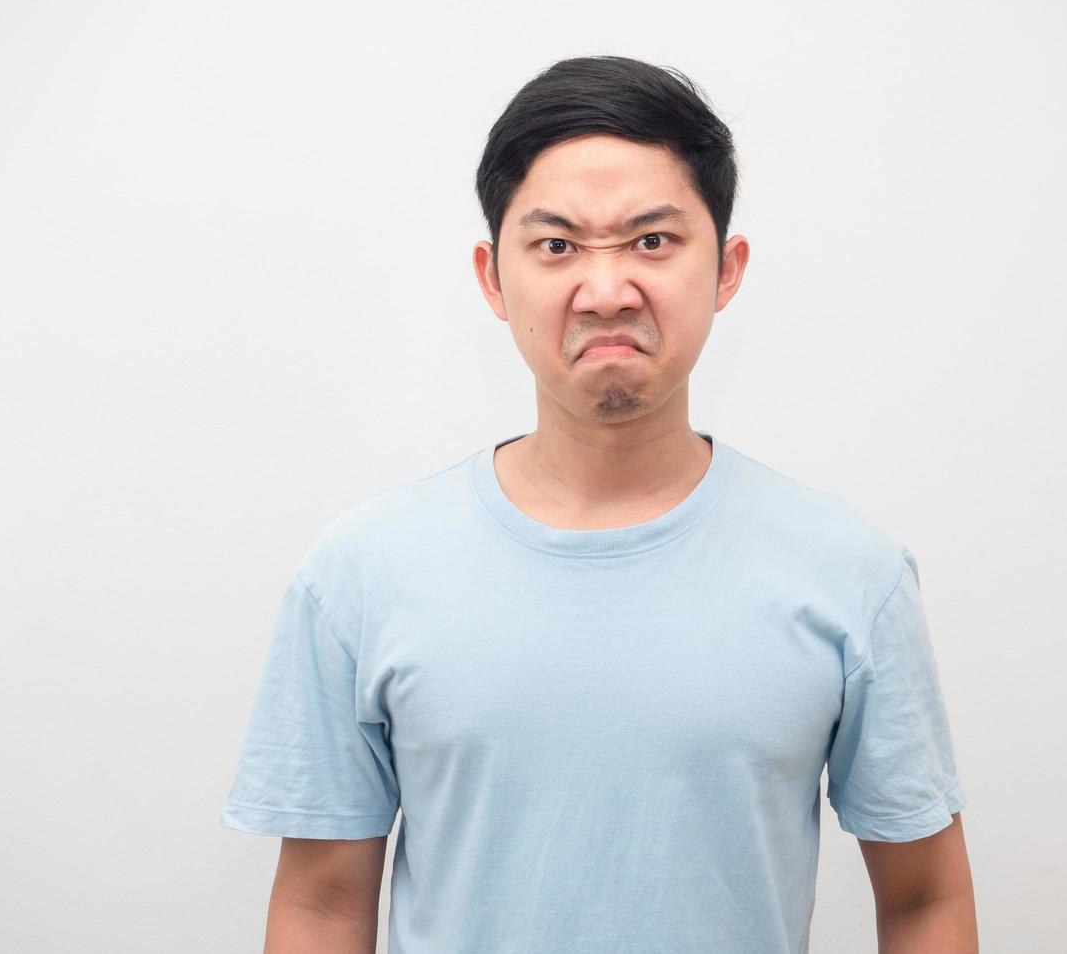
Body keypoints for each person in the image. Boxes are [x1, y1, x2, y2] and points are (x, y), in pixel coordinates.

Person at [221, 54, 977, 953]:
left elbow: (926, 898)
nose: (607, 290)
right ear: (493, 277)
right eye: (557, 245)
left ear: (726, 269)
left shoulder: (851, 575)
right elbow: (321, 906)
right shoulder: (360, 573)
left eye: (652, 241)